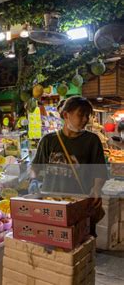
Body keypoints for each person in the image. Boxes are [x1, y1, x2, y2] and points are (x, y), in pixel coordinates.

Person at [31, 96, 107, 235]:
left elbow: (99, 171)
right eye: (80, 114)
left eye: (87, 115)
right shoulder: (48, 140)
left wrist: (96, 188)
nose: (85, 119)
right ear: (66, 115)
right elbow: (35, 168)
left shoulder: (92, 140)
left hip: (80, 203)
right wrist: (34, 181)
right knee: (53, 240)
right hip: (52, 203)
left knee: (82, 242)